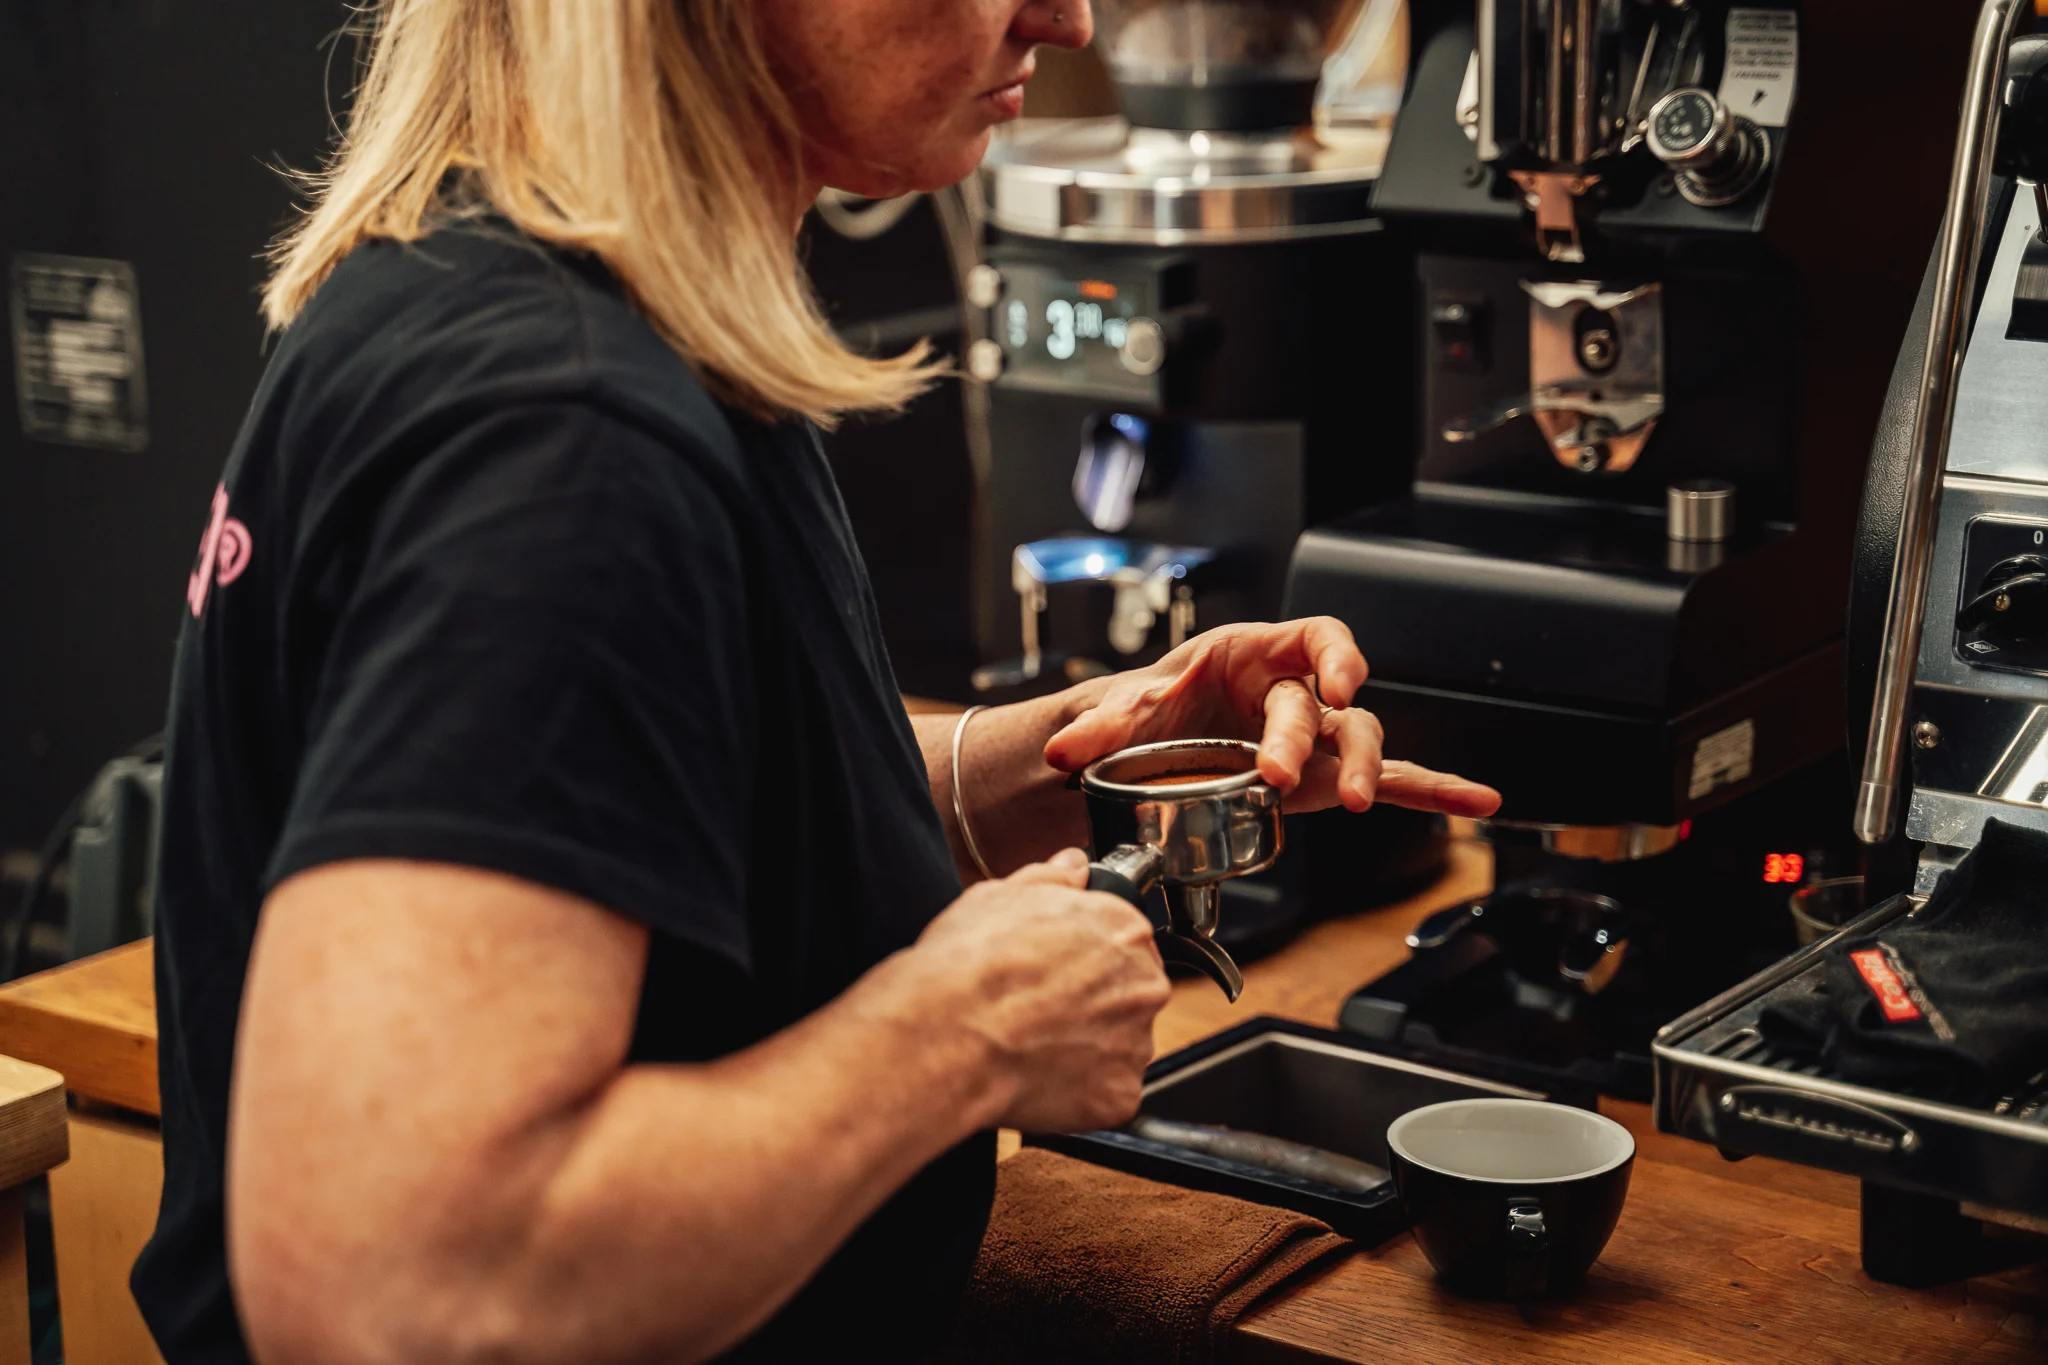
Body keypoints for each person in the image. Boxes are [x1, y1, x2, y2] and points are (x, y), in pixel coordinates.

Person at [134, 0, 1502, 1361]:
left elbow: (628, 808)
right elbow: (390, 1290)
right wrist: (959, 1039)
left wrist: (1084, 750)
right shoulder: (558, 439)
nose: (1065, 14)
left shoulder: (524, 298)